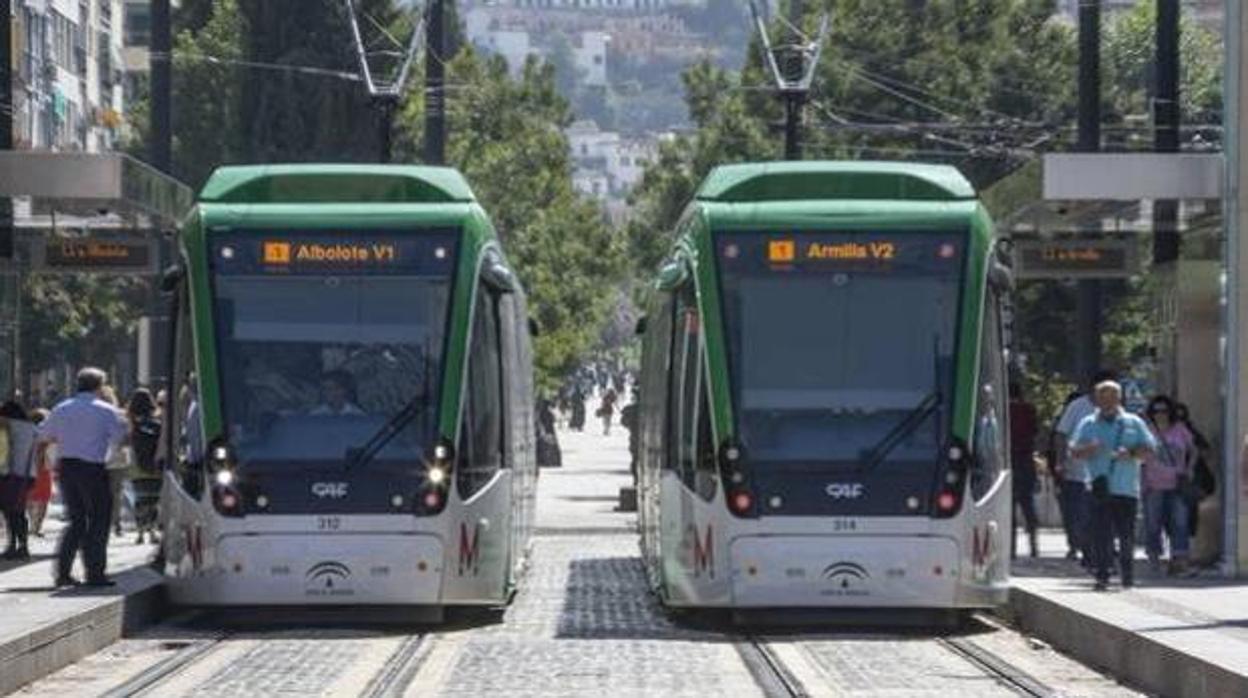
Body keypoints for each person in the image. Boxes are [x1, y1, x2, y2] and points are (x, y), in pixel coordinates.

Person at [38, 367, 130, 587]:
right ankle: (95, 572)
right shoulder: (106, 410)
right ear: (99, 387)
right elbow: (120, 438)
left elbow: (43, 434)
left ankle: (63, 573)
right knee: (99, 519)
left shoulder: (61, 408)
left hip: (68, 468)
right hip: (93, 468)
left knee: (76, 520)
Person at [1069, 380, 1156, 591]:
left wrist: (1132, 453)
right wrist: (1088, 449)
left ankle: (1127, 577)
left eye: (1111, 397)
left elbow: (1150, 450)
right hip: (1099, 488)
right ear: (1097, 400)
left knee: (1126, 535)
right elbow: (1074, 452)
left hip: (1126, 489)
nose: (1107, 402)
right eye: (1102, 397)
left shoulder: (1133, 423)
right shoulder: (1088, 423)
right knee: (1101, 534)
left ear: (1119, 399)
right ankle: (1102, 575)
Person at [1054, 370, 1117, 564]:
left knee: (1105, 516)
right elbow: (1061, 434)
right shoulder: (1077, 407)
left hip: (1109, 474)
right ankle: (1088, 551)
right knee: (1082, 516)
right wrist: (1060, 461)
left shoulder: (1119, 410)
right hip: (1079, 472)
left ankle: (1102, 552)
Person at [1142, 395, 1196, 576]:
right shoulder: (1147, 430)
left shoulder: (1179, 429)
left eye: (1164, 410)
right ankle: (1154, 559)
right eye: (1156, 411)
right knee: (1153, 524)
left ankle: (1179, 561)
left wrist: (1189, 469)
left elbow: (1193, 450)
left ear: (1170, 411)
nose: (1160, 414)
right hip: (1153, 485)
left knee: (1180, 523)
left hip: (1177, 484)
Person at [1, 401, 37, 560]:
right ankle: (23, 545)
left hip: (9, 475)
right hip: (28, 475)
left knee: (9, 512)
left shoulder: (7, 426)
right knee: (19, 511)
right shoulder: (32, 428)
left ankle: (12, 545)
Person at [126, 389, 163, 545]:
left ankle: (140, 532)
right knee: (154, 500)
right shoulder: (158, 421)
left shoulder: (130, 422)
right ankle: (153, 531)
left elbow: (126, 442)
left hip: (136, 466)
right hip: (155, 465)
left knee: (140, 500)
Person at [1009, 383, 1040, 559]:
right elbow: (1035, 432)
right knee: (1028, 504)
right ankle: (1034, 545)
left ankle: (1011, 547)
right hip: (1025, 459)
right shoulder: (1029, 409)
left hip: (1008, 459)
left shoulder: (1003, 410)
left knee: (1010, 506)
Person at [100, 387, 132, 538]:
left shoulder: (95, 414)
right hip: (118, 459)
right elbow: (127, 437)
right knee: (116, 493)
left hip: (99, 459)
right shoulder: (121, 415)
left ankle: (105, 522)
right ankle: (116, 523)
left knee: (101, 493)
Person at [25, 409, 52, 538]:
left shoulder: (27, 432)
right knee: (43, 498)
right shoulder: (48, 433)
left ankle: (32, 524)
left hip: (29, 468)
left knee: (30, 496)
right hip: (44, 469)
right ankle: (37, 527)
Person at [620, 388, 640, 480]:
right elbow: (624, 422)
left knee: (635, 459)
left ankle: (636, 478)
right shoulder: (631, 409)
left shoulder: (630, 409)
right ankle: (636, 478)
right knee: (635, 459)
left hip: (635, 439)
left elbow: (624, 422)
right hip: (635, 439)